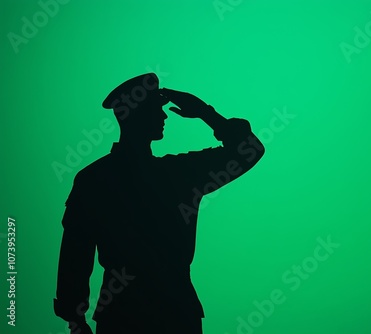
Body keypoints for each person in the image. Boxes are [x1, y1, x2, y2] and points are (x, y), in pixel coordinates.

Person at [53, 73, 265, 333]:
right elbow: (76, 253)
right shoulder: (178, 174)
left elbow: (75, 254)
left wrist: (75, 319)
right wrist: (205, 113)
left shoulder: (96, 178)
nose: (165, 116)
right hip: (165, 313)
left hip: (133, 314)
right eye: (156, 109)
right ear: (134, 114)